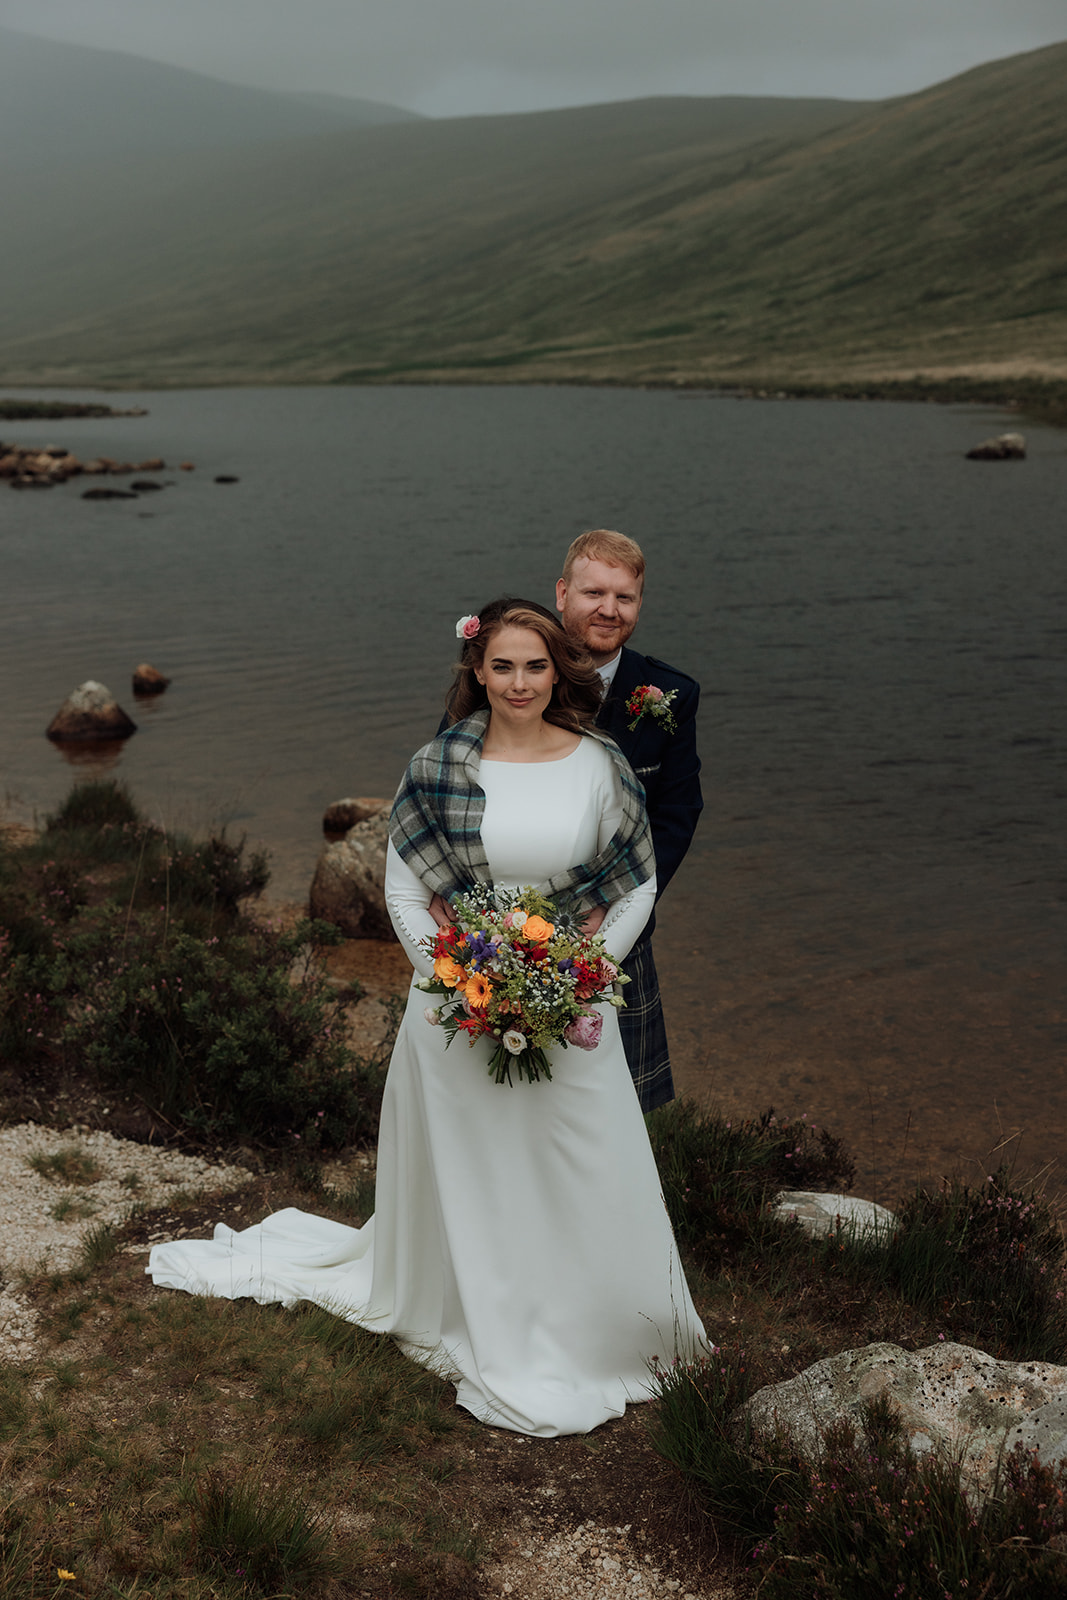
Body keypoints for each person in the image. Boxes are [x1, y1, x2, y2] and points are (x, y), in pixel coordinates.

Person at [148, 599, 706, 1438]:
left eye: (535, 666)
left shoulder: (599, 763)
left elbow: (635, 883)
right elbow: (406, 891)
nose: (519, 683)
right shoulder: (438, 763)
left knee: (583, 1160)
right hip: (457, 1006)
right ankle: (475, 1309)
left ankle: (610, 1326)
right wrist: (453, 977)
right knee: (476, 1165)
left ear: (557, 672)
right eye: (503, 666)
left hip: (570, 1002)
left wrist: (585, 972)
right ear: (476, 672)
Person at [555, 530, 702, 1113]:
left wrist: (616, 907)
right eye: (594, 593)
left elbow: (678, 814)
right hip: (508, 919)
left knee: (618, 1106)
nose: (609, 611)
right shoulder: (510, 672)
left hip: (620, 927)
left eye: (626, 598)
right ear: (562, 592)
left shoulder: (669, 693)